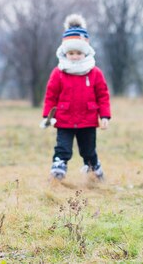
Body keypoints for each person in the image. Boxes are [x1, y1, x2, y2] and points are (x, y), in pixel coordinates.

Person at [41, 14, 111, 181]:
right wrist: (47, 116)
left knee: (88, 150)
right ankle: (58, 169)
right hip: (64, 119)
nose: (74, 56)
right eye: (71, 53)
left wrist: (105, 116)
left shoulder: (94, 73)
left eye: (78, 52)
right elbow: (51, 95)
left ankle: (94, 169)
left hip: (87, 119)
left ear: (85, 52)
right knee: (63, 148)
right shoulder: (58, 73)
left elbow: (103, 95)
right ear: (65, 53)